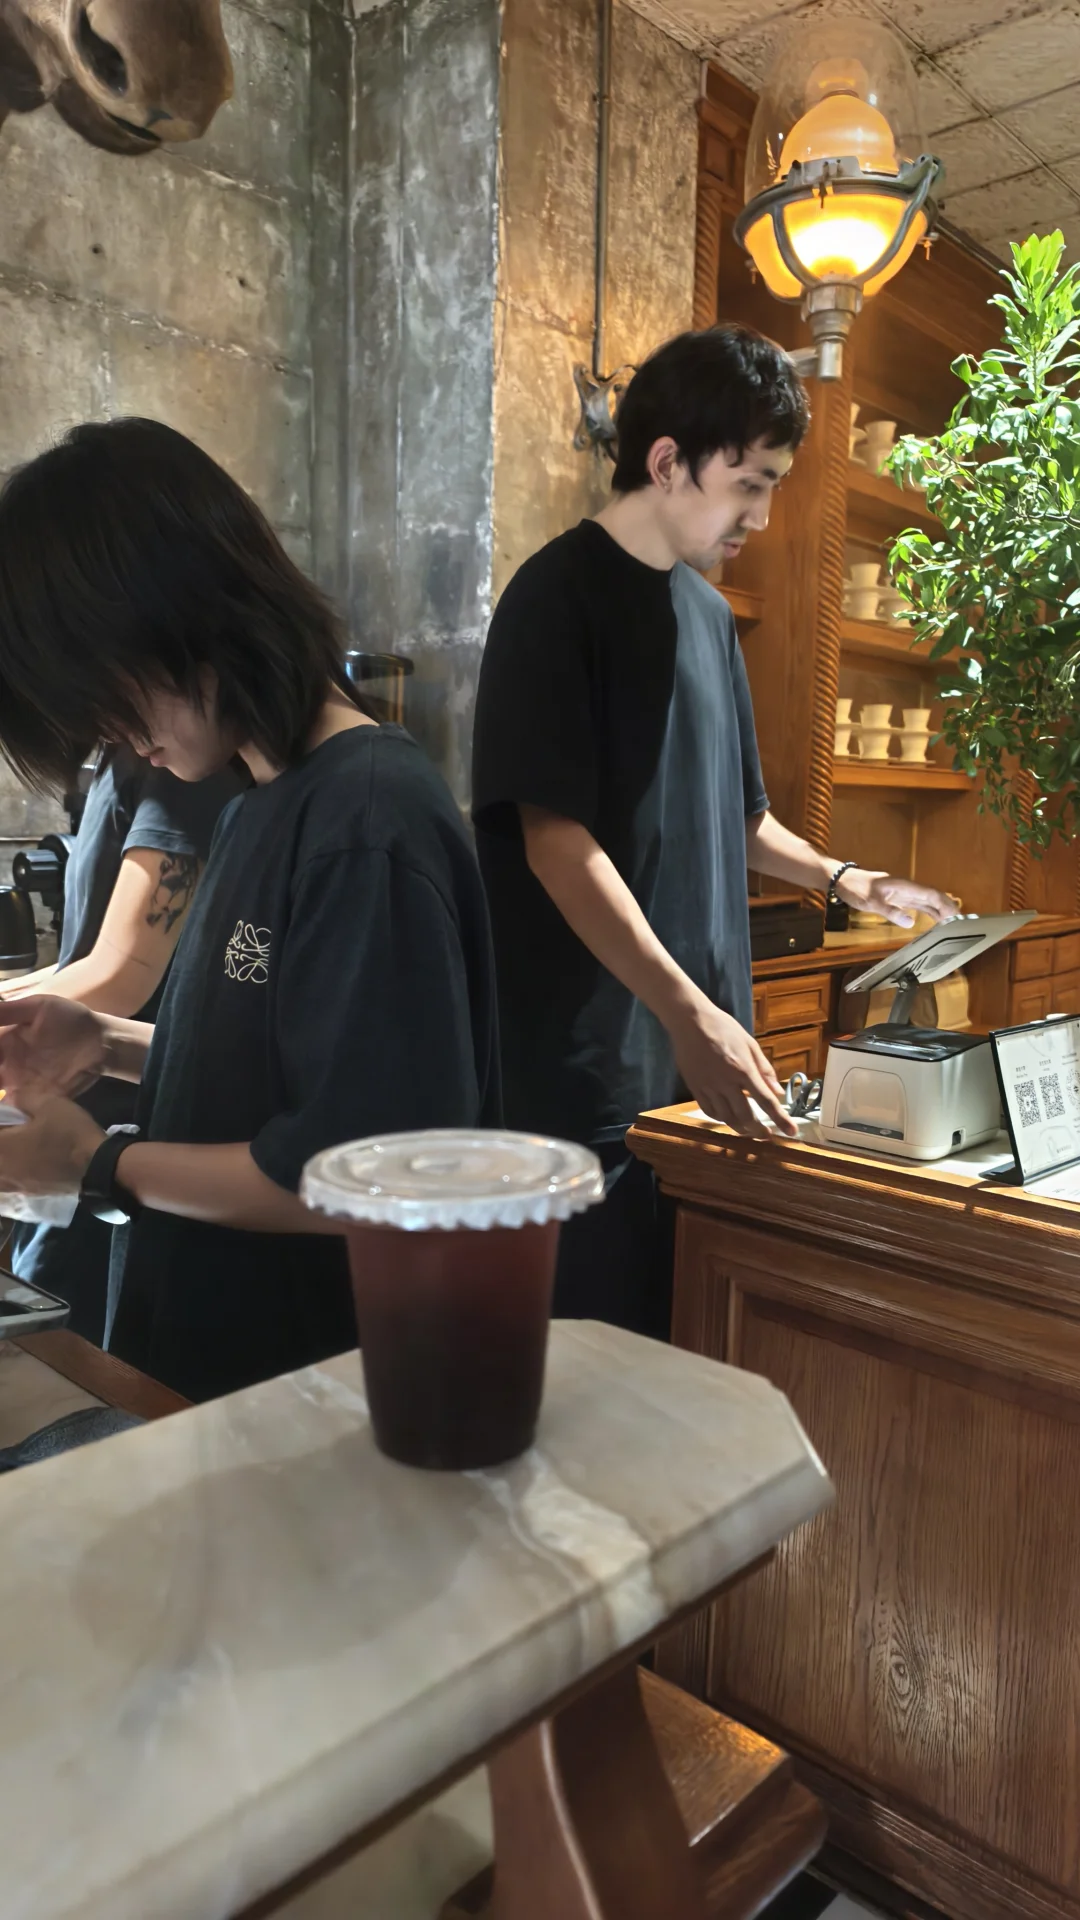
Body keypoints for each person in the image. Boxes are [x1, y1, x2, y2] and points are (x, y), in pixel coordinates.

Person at [0, 418, 499, 1402]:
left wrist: (102, 1163)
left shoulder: (366, 823)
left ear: (183, 616)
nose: (112, 737)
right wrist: (102, 1041)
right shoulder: (256, 804)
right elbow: (279, 1068)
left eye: (109, 697)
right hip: (221, 1381)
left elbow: (365, 1171)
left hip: (316, 1398)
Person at [471, 324, 955, 1337]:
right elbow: (557, 842)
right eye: (749, 485)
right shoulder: (554, 598)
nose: (762, 518)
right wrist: (687, 1016)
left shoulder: (707, 615)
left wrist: (850, 879)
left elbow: (742, 822)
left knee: (688, 1334)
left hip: (703, 1055)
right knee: (590, 1353)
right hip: (592, 1073)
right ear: (667, 463)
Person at [3, 746, 241, 1342]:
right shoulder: (128, 758)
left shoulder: (175, 768)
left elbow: (120, 976)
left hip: (112, 1130)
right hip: (80, 1107)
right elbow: (82, 961)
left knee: (60, 1345)